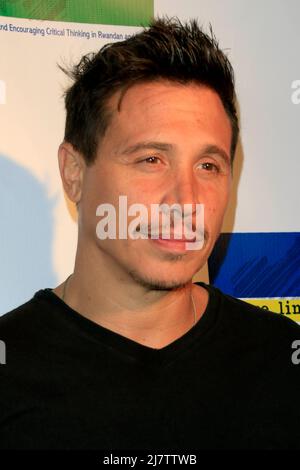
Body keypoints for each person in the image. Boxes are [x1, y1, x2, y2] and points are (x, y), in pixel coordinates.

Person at [0, 16, 299, 451]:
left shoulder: (281, 363)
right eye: (151, 160)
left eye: (208, 166)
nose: (186, 200)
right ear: (74, 173)